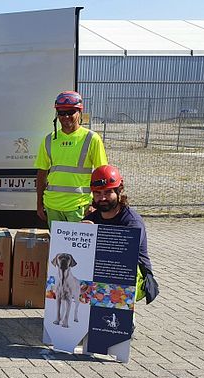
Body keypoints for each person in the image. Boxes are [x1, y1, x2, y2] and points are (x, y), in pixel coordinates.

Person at [82, 165, 159, 305]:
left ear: (119, 191)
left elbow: (124, 256)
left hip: (133, 275)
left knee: (113, 270)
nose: (102, 198)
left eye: (108, 192)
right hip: (103, 270)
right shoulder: (91, 219)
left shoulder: (132, 221)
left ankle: (124, 313)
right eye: (97, 193)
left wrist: (95, 235)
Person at [35, 90, 107, 227]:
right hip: (53, 206)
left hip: (80, 208)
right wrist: (39, 204)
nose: (66, 116)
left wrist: (96, 205)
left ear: (79, 112)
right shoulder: (49, 140)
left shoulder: (92, 139)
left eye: (70, 112)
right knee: (58, 249)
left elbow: (101, 174)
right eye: (61, 113)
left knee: (79, 248)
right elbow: (41, 174)